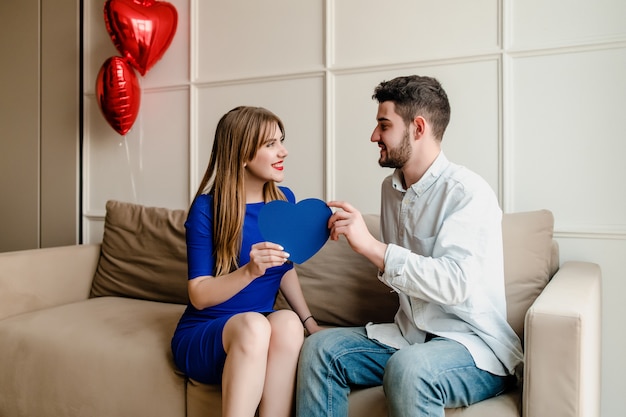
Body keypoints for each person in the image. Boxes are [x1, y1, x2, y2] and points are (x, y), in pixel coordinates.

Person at [295, 75, 523, 417]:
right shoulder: (391, 189)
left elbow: (455, 283)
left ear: (418, 128)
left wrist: (372, 248)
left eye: (384, 125)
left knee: (410, 368)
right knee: (319, 349)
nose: (374, 136)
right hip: (409, 336)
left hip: (472, 347)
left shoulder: (467, 193)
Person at [172, 106, 322, 417]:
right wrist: (250, 271)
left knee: (288, 323)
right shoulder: (206, 209)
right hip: (208, 333)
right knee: (255, 325)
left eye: (281, 141)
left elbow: (284, 269)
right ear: (241, 155)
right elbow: (199, 295)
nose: (284, 151)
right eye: (270, 144)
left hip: (259, 330)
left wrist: (309, 321)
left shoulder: (284, 201)